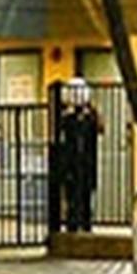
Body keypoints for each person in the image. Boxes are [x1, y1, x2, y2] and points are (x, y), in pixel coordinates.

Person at [50, 78, 103, 240]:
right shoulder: (66, 115)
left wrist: (88, 116)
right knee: (71, 195)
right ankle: (71, 225)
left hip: (86, 160)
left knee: (85, 194)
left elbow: (99, 129)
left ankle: (86, 224)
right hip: (70, 161)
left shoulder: (92, 114)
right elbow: (59, 132)